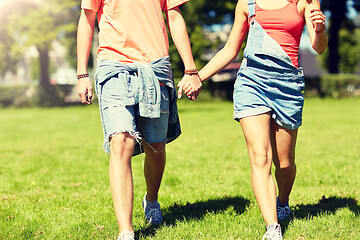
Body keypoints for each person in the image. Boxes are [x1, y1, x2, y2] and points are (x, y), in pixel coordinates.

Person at [189, 0, 328, 239]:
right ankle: (273, 227)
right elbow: (230, 49)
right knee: (260, 156)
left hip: (288, 86)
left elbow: (319, 48)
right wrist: (197, 77)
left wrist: (319, 29)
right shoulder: (247, 3)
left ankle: (282, 202)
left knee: (284, 164)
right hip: (251, 83)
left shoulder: (305, 2)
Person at [76, 0, 202, 239]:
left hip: (155, 67)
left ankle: (151, 200)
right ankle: (126, 230)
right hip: (114, 67)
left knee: (156, 146)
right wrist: (82, 73)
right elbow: (87, 19)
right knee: (121, 141)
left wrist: (191, 69)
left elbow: (174, 17)